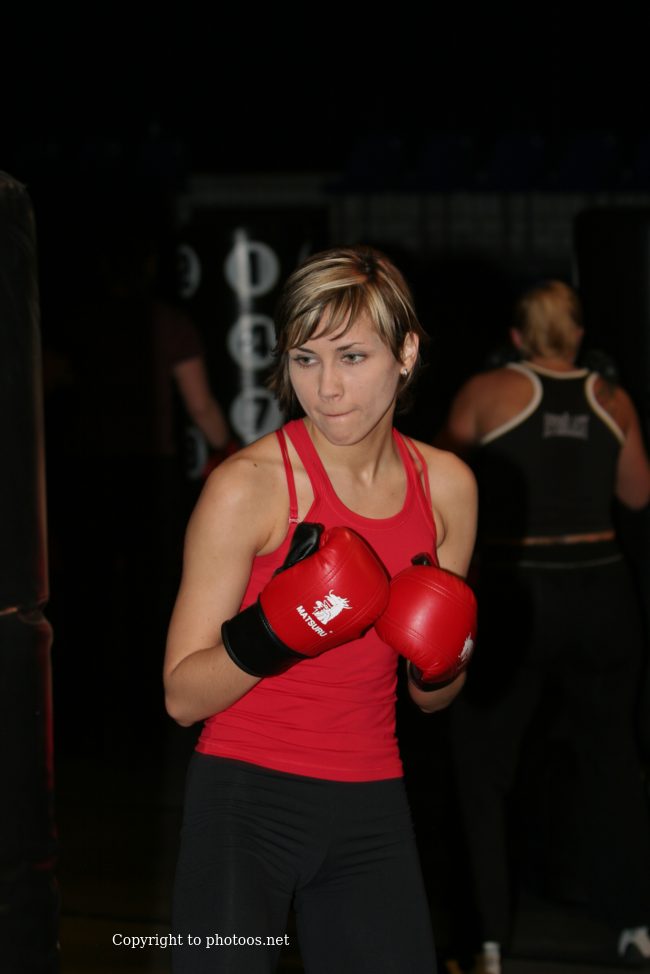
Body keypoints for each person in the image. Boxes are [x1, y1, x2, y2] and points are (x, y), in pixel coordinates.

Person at [163, 245, 478, 974]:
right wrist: (279, 629)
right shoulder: (249, 486)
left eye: (352, 357)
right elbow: (181, 696)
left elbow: (433, 699)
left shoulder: (447, 488)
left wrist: (443, 658)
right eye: (305, 359)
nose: (327, 388)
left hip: (372, 806)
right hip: (244, 802)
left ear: (406, 353)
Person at [440, 280, 650, 972]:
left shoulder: (488, 391)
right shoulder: (613, 398)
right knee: (612, 758)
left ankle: (486, 941)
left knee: (481, 770)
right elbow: (638, 494)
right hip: (603, 591)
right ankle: (635, 923)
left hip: (521, 590)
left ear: (518, 336)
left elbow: (435, 480)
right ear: (579, 335)